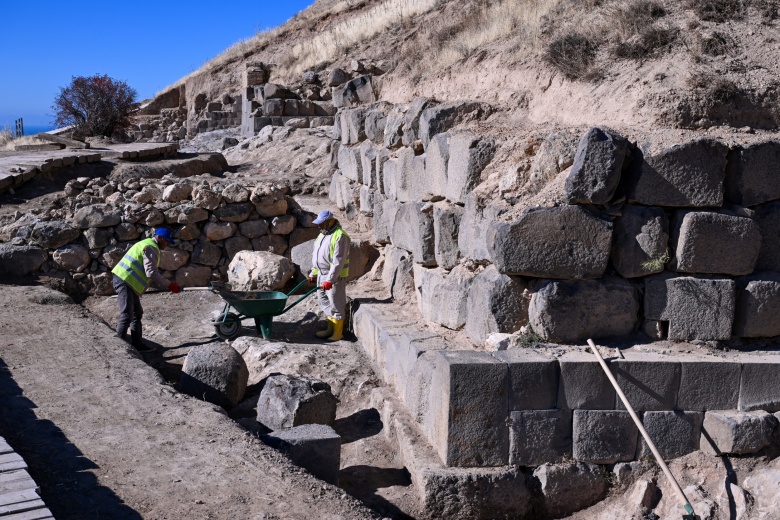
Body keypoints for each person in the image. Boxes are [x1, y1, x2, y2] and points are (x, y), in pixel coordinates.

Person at [112, 227, 181, 352]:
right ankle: (119, 349)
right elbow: (151, 273)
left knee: (136, 314)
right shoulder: (151, 247)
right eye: (166, 241)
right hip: (125, 280)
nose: (167, 245)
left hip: (127, 281)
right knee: (127, 315)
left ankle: (137, 345)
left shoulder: (147, 244)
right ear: (159, 238)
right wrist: (169, 284)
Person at [308, 210, 350, 341]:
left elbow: (338, 262)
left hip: (334, 277)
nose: (319, 226)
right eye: (318, 224)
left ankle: (338, 333)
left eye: (321, 224)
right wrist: (313, 273)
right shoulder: (322, 235)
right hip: (321, 274)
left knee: (336, 303)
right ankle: (330, 329)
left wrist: (330, 280)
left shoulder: (340, 236)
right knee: (324, 302)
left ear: (330, 221)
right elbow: (317, 256)